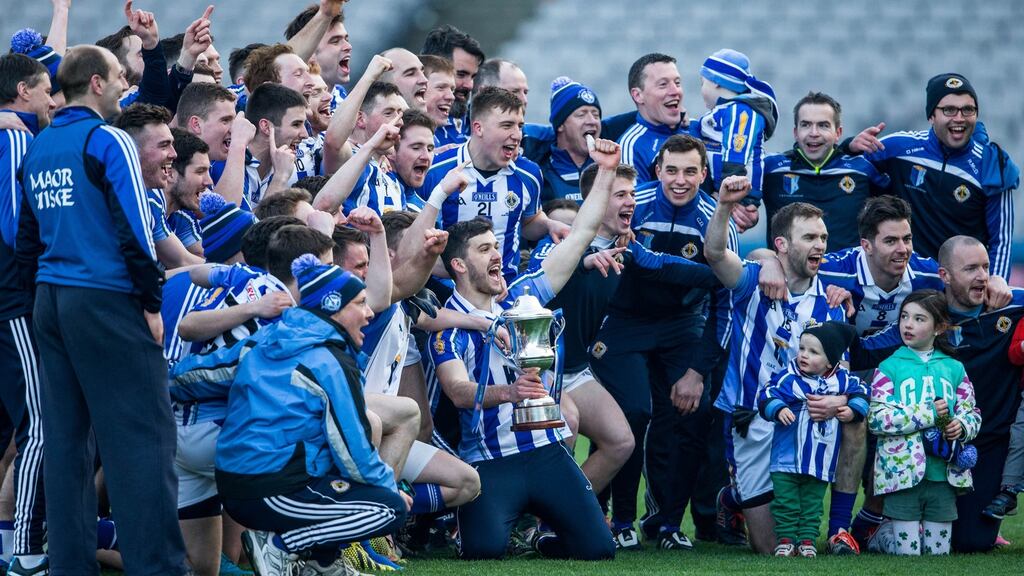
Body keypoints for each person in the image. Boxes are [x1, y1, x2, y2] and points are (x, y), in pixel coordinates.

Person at [15, 44, 188, 575]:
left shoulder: (40, 145)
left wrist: (42, 299)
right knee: (143, 440)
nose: (124, 85)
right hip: (107, 299)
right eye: (118, 76)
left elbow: (24, 238)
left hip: (52, 301)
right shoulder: (106, 138)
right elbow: (136, 230)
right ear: (94, 82)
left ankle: (69, 565)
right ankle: (157, 567)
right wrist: (152, 302)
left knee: (66, 444)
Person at [428, 137, 621, 561]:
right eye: (484, 250)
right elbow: (459, 392)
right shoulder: (447, 324)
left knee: (598, 550)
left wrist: (605, 171)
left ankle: (543, 536)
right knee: (484, 551)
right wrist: (509, 394)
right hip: (490, 460)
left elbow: (580, 236)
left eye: (497, 246)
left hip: (546, 449)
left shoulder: (524, 295)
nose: (497, 256)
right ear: (458, 265)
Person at [174, 254, 409, 576]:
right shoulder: (331, 362)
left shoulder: (266, 340)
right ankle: (281, 548)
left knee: (332, 471)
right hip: (272, 488)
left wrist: (156, 384)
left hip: (234, 483)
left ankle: (322, 564)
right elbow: (353, 450)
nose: (369, 314)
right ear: (333, 307)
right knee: (387, 508)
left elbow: (192, 376)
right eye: (360, 303)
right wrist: (388, 490)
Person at [590, 135, 733, 551]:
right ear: (658, 170)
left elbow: (725, 302)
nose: (680, 180)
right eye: (671, 170)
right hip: (624, 321)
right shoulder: (635, 204)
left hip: (681, 324)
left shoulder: (714, 221)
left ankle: (669, 524)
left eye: (691, 171)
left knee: (695, 412)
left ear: (704, 175)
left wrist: (696, 372)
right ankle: (621, 519)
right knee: (632, 410)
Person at [704, 176, 848, 554]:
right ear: (781, 244)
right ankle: (733, 497)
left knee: (792, 542)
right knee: (769, 549)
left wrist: (838, 403)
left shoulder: (831, 301)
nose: (819, 246)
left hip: (803, 424)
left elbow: (839, 372)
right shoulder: (753, 281)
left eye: (822, 238)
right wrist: (723, 207)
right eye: (809, 238)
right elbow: (716, 255)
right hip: (752, 417)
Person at [854, 236, 1024, 553]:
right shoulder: (924, 321)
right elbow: (860, 353)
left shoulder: (1011, 305)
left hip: (990, 445)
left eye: (986, 267)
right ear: (945, 276)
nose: (982, 276)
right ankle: (885, 523)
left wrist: (1004, 282)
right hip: (925, 446)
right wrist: (841, 307)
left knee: (972, 543)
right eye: (970, 268)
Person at [845, 73, 1020, 279]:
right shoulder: (898, 147)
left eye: (968, 110)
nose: (959, 118)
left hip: (960, 289)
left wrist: (996, 280)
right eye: (949, 110)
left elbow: (1002, 239)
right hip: (905, 283)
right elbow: (847, 174)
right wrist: (848, 146)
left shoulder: (991, 165)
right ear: (931, 116)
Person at [867, 290, 981, 556]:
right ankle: (883, 537)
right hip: (902, 473)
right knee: (908, 554)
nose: (908, 324)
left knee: (937, 554)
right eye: (905, 316)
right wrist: (927, 414)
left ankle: (890, 537)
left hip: (944, 474)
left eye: (919, 319)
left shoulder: (954, 368)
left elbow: (972, 412)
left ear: (939, 327)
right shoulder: (888, 367)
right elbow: (877, 419)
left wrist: (962, 426)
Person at [417, 87, 569, 283]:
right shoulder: (436, 171)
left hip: (506, 289)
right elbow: (417, 241)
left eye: (520, 126)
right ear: (478, 128)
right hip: (447, 292)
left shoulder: (529, 174)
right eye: (507, 125)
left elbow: (528, 221)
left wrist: (548, 224)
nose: (517, 135)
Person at [0, 52, 54, 576]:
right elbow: (17, 226)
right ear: (22, 91)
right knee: (40, 424)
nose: (51, 101)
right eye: (44, 91)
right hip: (13, 299)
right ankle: (26, 551)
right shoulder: (16, 135)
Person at [758, 322, 868, 557]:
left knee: (812, 502)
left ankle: (807, 539)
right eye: (802, 348)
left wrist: (852, 410)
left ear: (830, 361)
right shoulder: (790, 377)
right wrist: (777, 409)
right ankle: (786, 538)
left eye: (813, 352)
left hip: (821, 460)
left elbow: (863, 391)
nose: (804, 355)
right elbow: (767, 393)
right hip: (787, 457)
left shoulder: (841, 379)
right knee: (786, 501)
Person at [761, 92, 889, 251]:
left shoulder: (863, 170)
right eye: (806, 125)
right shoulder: (770, 169)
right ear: (795, 132)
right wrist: (743, 205)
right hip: (788, 275)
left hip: (848, 275)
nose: (814, 133)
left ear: (838, 133)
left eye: (823, 125)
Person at [691, 48, 778, 232]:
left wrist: (731, 196)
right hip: (723, 191)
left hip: (735, 192)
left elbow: (736, 152)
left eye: (702, 83)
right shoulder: (727, 110)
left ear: (715, 82)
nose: (701, 90)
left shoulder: (742, 110)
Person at [522, 77, 602, 203]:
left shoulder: (608, 167)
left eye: (596, 115)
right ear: (560, 125)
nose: (592, 121)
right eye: (581, 114)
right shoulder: (537, 171)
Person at [618, 53, 687, 184]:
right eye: (663, 84)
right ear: (638, 95)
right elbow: (632, 202)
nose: (675, 91)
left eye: (677, 83)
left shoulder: (697, 128)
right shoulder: (631, 146)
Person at [420, 25, 485, 144]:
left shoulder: (477, 121)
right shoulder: (399, 127)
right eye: (461, 74)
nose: (470, 85)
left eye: (473, 77)